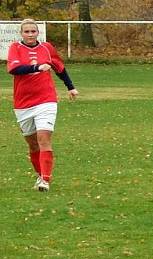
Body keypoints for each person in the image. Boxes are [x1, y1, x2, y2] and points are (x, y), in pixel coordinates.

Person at [6, 18, 78, 192]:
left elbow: (59, 68)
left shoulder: (47, 48)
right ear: (21, 33)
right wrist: (37, 67)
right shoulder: (15, 48)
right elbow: (14, 69)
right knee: (32, 144)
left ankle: (45, 180)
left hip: (46, 100)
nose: (30, 34)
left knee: (43, 138)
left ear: (38, 32)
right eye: (27, 31)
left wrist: (71, 87)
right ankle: (40, 174)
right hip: (23, 103)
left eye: (33, 31)